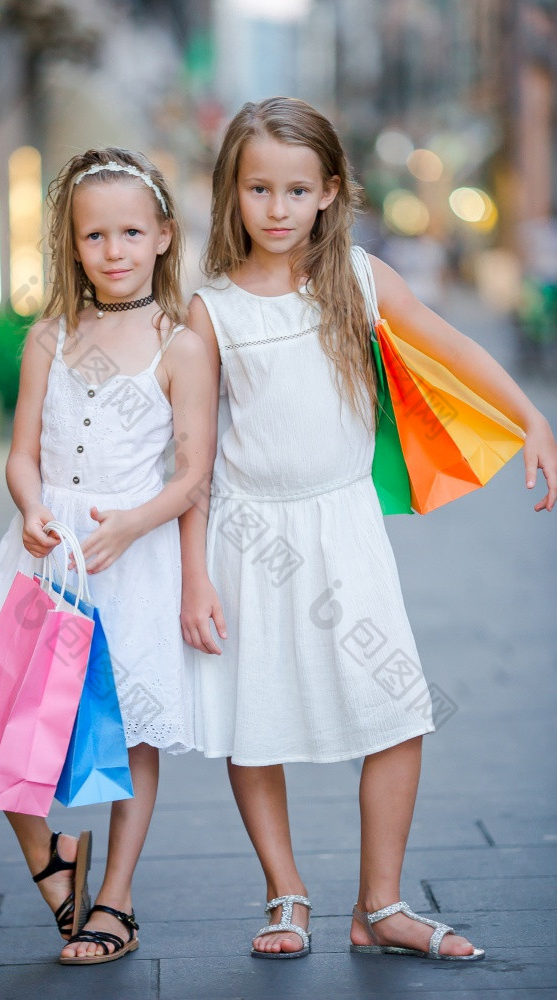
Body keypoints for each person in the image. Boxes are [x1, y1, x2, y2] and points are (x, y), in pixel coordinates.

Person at [180, 97, 557, 963]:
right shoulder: (214, 310)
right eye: (258, 188)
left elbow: (451, 344)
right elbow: (193, 457)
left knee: (395, 712)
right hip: (249, 537)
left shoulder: (358, 276)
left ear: (330, 191)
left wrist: (531, 415)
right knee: (252, 721)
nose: (277, 207)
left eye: (296, 188)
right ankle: (287, 894)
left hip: (344, 525)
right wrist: (195, 575)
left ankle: (380, 905)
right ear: (231, 194)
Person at [0, 147, 214, 965]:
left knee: (131, 732)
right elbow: (21, 454)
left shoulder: (180, 344)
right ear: (72, 244)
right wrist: (31, 505)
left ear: (161, 235)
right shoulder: (50, 336)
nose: (112, 250)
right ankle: (51, 857)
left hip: (131, 552)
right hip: (42, 553)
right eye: (94, 236)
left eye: (129, 232)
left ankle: (114, 900)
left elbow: (194, 471)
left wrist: (130, 526)